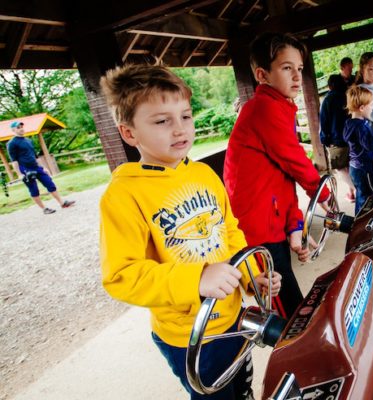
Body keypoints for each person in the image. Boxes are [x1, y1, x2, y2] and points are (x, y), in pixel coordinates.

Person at [98, 64, 281, 400]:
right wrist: (196, 280)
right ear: (129, 133)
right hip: (190, 334)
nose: (179, 129)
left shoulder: (204, 174)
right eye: (161, 121)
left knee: (242, 385)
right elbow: (121, 275)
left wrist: (252, 277)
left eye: (185, 116)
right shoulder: (124, 195)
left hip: (233, 315)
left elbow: (229, 231)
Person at [224, 32, 330, 320]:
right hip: (257, 228)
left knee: (289, 294)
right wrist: (325, 196)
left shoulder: (281, 108)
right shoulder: (263, 109)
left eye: (299, 68)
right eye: (286, 68)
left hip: (271, 221)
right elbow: (296, 162)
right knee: (284, 304)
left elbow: (284, 176)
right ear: (262, 75)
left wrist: (294, 224)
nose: (297, 76)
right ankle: (295, 354)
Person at [6, 121, 75, 214]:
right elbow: (14, 161)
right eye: (18, 127)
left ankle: (62, 203)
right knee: (34, 189)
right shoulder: (12, 143)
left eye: (21, 126)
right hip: (25, 169)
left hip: (36, 167)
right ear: (13, 130)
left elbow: (35, 156)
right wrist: (19, 174)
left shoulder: (28, 141)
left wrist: (43, 167)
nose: (21, 128)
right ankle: (44, 209)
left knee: (50, 183)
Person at [343, 85, 373, 215]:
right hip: (364, 169)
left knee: (361, 196)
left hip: (355, 168)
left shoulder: (350, 124)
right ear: (362, 108)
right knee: (370, 198)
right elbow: (371, 144)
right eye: (371, 105)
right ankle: (366, 225)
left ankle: (358, 222)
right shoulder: (360, 127)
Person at [319, 74, 355, 202]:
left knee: (339, 168)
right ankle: (351, 193)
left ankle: (355, 189)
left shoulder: (328, 100)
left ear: (330, 86)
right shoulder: (349, 96)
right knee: (350, 165)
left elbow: (323, 121)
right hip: (352, 137)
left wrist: (324, 139)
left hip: (337, 140)